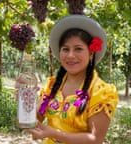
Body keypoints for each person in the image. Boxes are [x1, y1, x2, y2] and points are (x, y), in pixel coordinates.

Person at [26, 15, 119, 144]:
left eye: (78, 49)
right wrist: (25, 101)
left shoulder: (101, 92)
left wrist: (53, 133)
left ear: (91, 53)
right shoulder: (53, 86)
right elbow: (34, 121)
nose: (70, 55)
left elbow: (95, 139)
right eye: (65, 49)